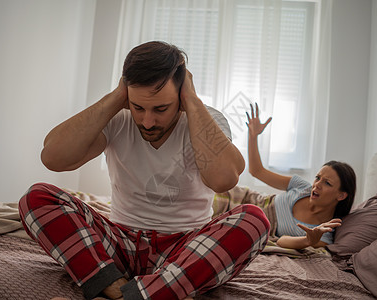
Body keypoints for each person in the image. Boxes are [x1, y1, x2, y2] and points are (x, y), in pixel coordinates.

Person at [18, 41, 270, 300]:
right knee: (35, 197)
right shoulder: (118, 116)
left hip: (184, 249)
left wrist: (192, 101)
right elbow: (53, 158)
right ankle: (124, 289)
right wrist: (116, 98)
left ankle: (128, 294)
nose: (147, 122)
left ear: (181, 95)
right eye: (139, 107)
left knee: (255, 220)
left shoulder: (207, 119)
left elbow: (223, 180)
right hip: (119, 243)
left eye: (160, 109)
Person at [245, 103, 356, 249]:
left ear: (341, 196)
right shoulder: (303, 186)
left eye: (327, 183)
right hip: (246, 200)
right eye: (317, 178)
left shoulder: (324, 231)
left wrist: (308, 240)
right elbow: (256, 171)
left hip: (252, 224)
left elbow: (281, 241)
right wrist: (253, 136)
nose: (317, 184)